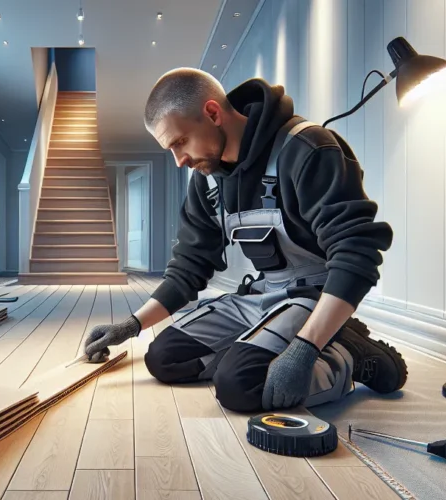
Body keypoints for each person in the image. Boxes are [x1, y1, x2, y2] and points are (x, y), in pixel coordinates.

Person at [79, 68, 407, 411]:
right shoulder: (206, 179)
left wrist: (304, 350)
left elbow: (358, 251)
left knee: (240, 385)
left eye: (180, 142)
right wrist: (131, 326)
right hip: (262, 295)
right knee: (164, 359)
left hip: (316, 295)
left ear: (212, 113)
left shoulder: (307, 149)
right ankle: (272, 345)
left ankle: (349, 354)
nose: (180, 161)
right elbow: (190, 264)